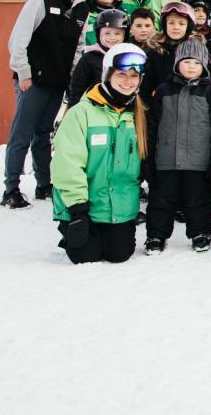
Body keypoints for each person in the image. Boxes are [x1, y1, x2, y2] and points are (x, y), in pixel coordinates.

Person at [2, 0, 87, 209]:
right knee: (22, 133)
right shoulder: (40, 0)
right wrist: (23, 74)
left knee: (43, 133)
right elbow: (18, 39)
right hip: (34, 80)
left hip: (57, 81)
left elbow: (79, 48)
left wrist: (72, 80)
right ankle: (11, 188)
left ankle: (43, 184)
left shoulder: (81, 7)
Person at [50, 43, 148, 264]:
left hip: (119, 207)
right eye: (121, 74)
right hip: (84, 205)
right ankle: (70, 227)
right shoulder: (81, 113)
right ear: (107, 75)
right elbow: (67, 163)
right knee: (85, 256)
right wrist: (77, 210)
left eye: (134, 76)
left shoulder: (139, 115)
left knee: (119, 254)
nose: (128, 81)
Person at [144, 38, 211, 254]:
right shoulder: (164, 91)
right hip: (166, 160)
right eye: (186, 62)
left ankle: (200, 233)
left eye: (196, 63)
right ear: (176, 64)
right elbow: (152, 126)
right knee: (160, 200)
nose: (191, 67)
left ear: (204, 65)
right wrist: (147, 158)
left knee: (198, 200)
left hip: (198, 161)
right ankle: (156, 236)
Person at [66, 8, 129, 108]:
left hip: (121, 108)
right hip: (93, 107)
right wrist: (73, 108)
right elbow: (77, 87)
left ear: (125, 35)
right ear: (99, 34)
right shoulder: (89, 57)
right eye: (107, 33)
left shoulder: (129, 57)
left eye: (117, 33)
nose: (112, 38)